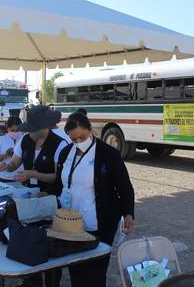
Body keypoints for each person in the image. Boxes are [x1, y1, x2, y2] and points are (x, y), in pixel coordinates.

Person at [53, 112, 135, 287]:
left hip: (99, 225)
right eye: (73, 139)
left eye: (82, 137)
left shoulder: (109, 154)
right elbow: (59, 183)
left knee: (95, 275)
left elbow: (125, 187)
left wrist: (128, 213)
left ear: (90, 130)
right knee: (76, 271)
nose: (78, 142)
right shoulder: (66, 153)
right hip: (71, 226)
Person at [0, 105, 68, 287]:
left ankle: (53, 282)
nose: (29, 132)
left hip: (51, 199)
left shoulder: (60, 144)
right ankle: (31, 280)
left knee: (51, 243)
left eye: (32, 128)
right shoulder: (25, 141)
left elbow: (59, 177)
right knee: (29, 240)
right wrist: (8, 166)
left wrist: (33, 174)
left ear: (44, 126)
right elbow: (15, 162)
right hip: (29, 197)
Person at [0, 117, 24, 182]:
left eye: (17, 130)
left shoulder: (25, 139)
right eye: (12, 130)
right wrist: (5, 155)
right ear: (7, 129)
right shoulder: (1, 139)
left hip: (21, 179)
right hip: (3, 178)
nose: (15, 132)